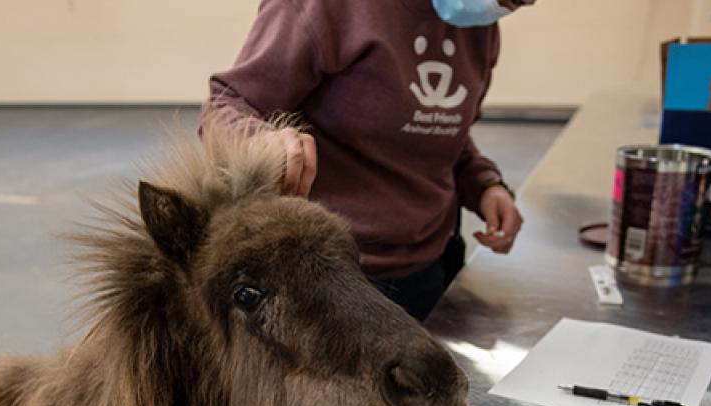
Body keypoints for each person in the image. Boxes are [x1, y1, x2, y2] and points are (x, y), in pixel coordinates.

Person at [206, 0, 534, 321]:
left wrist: (485, 185)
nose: (513, 5)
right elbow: (226, 105)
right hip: (335, 274)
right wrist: (261, 140)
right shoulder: (326, 8)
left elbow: (443, 130)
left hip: (426, 265)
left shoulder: (479, 26)